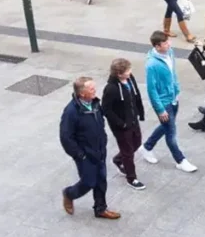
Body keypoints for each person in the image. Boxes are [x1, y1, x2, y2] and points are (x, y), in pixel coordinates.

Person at [59, 77, 119, 219]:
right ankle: (69, 194)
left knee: (101, 181)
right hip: (85, 154)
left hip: (99, 150)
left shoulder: (95, 104)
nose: (95, 91)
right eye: (91, 89)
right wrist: (80, 155)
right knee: (88, 182)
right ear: (82, 93)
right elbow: (66, 137)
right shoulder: (71, 112)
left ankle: (100, 209)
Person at [138, 30, 197, 173]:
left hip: (173, 98)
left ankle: (147, 147)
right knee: (171, 133)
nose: (169, 44)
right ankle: (180, 160)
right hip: (164, 102)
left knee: (166, 127)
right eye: (165, 43)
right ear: (157, 46)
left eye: (168, 41)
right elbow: (151, 90)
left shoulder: (170, 53)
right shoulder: (152, 65)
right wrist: (160, 109)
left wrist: (176, 89)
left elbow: (173, 72)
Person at [102, 58, 146, 191]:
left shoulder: (130, 79)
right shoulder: (111, 89)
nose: (130, 72)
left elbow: (136, 95)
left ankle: (118, 159)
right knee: (128, 151)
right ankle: (131, 178)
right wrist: (121, 124)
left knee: (137, 143)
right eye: (127, 70)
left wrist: (141, 112)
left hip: (133, 119)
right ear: (119, 73)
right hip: (121, 126)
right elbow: (106, 109)